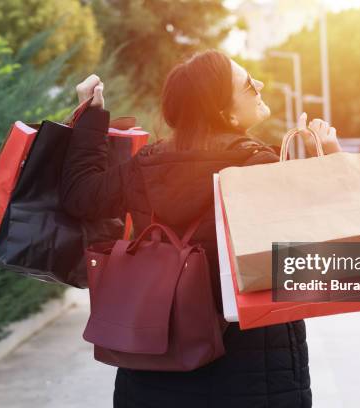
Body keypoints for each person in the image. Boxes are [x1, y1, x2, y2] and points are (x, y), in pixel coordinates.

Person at [60, 49, 342, 408]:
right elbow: (328, 240)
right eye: (249, 86)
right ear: (223, 110)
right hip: (255, 375)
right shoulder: (260, 168)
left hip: (153, 371)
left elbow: (80, 196)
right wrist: (330, 157)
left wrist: (91, 117)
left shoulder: (144, 166)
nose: (261, 84)